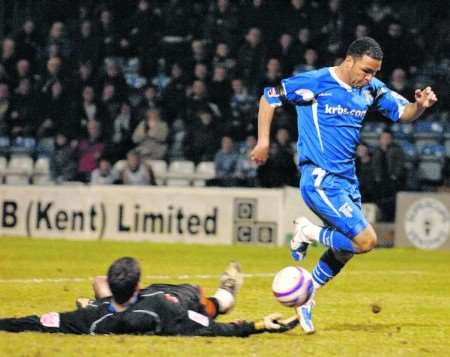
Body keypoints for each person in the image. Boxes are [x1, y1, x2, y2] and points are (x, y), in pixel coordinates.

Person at [250, 37, 438, 334]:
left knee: (346, 249)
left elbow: (404, 113)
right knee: (366, 241)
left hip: (347, 182)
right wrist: (263, 141)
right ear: (349, 60)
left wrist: (420, 106)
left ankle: (307, 293)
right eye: (366, 70)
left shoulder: (370, 88)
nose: (369, 77)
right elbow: (269, 96)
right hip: (320, 179)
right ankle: (307, 231)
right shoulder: (317, 81)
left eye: (374, 72)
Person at [0, 257, 297, 336]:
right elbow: (210, 329)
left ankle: (98, 298)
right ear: (138, 283)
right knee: (210, 306)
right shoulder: (159, 310)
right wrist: (257, 325)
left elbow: (42, 322)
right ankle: (226, 293)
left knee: (97, 284)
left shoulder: (91, 320)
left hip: (110, 306)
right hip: (180, 300)